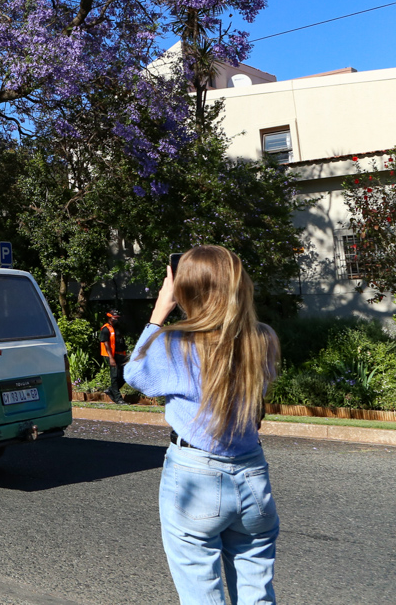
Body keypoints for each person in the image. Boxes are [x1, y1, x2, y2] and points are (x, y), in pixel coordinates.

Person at [124, 245, 281, 605]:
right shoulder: (262, 339)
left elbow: (135, 374)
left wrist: (160, 310)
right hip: (252, 476)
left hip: (195, 476)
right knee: (258, 594)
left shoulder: (172, 343)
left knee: (201, 594)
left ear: (184, 290)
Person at [98, 310, 127, 403]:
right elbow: (106, 344)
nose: (117, 319)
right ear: (110, 318)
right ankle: (118, 398)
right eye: (115, 318)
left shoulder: (118, 328)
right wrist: (111, 358)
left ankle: (111, 390)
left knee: (125, 375)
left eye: (118, 318)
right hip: (111, 355)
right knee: (114, 376)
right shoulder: (105, 329)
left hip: (120, 354)